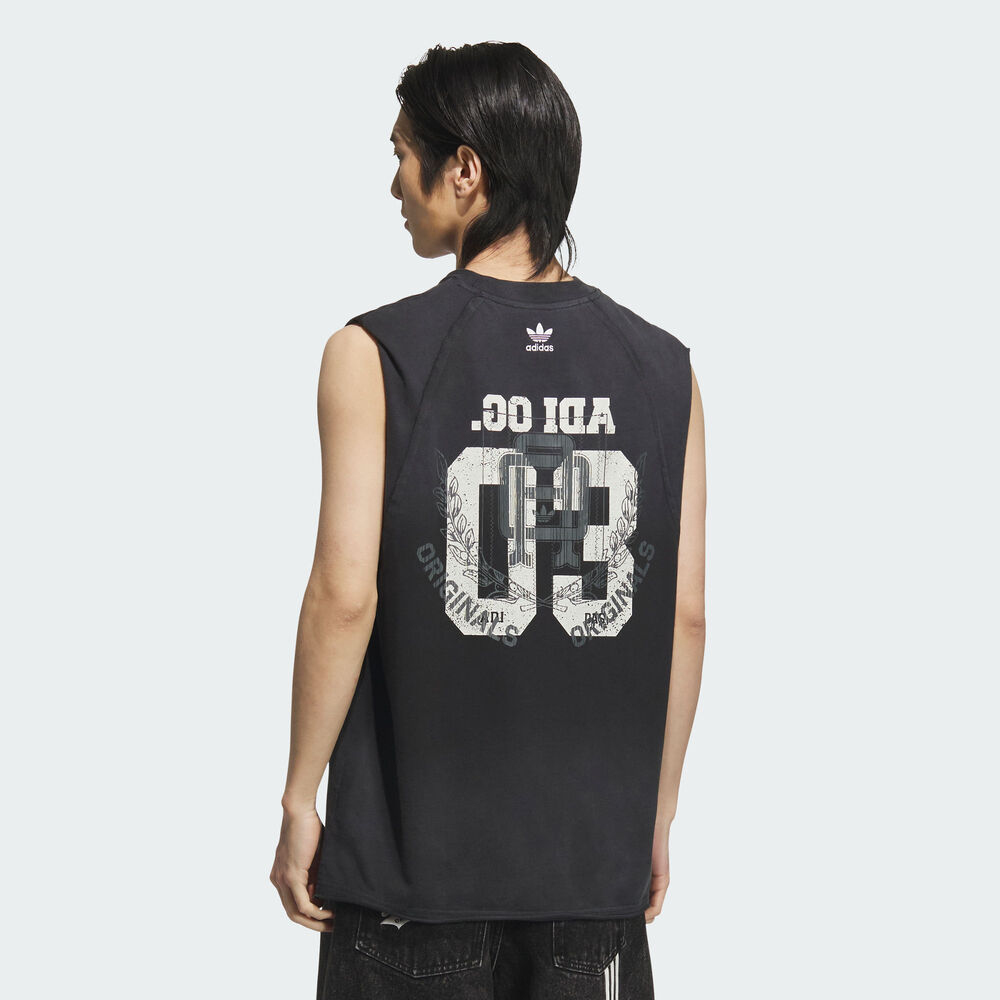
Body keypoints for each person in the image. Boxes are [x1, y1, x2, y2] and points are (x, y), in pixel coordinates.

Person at [270, 41, 707, 1000]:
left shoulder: (373, 353)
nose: (394, 183)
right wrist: (656, 815)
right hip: (589, 882)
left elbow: (345, 595)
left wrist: (301, 796)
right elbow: (683, 616)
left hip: (408, 884)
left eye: (402, 154)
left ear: (464, 169)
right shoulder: (663, 370)